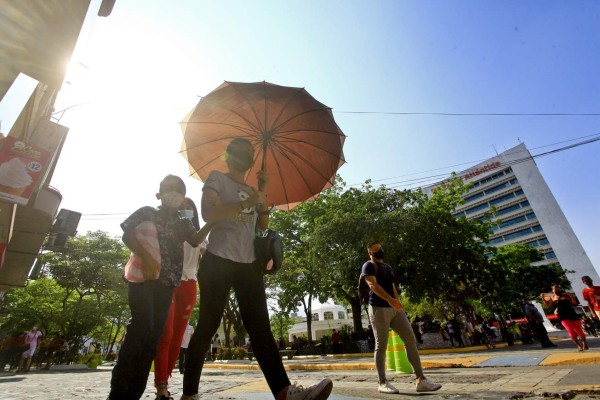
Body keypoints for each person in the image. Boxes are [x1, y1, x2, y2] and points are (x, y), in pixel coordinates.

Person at [182, 138, 332, 400]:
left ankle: (284, 392)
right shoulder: (217, 178)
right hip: (218, 260)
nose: (245, 156)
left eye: (249, 152)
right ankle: (189, 394)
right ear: (228, 156)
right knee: (208, 324)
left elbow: (261, 226)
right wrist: (247, 200)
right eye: (239, 151)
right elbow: (208, 213)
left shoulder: (253, 188)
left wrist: (261, 194)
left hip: (248, 264)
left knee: (260, 327)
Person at [108, 175, 211, 400]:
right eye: (168, 189)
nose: (172, 194)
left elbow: (195, 239)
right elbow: (127, 234)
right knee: (141, 327)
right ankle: (118, 391)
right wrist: (145, 257)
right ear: (159, 194)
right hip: (144, 278)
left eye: (177, 190)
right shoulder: (147, 212)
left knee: (154, 336)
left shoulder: (183, 222)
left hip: (168, 283)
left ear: (183, 196)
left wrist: (213, 220)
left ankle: (134, 392)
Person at [362, 241, 441, 394]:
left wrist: (397, 302)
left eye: (380, 248)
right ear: (369, 253)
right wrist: (389, 300)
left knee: (410, 339)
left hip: (395, 309)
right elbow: (372, 285)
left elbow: (392, 286)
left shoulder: (388, 267)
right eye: (375, 249)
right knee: (381, 345)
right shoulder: (368, 265)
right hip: (379, 308)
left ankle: (421, 380)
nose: (379, 251)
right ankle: (382, 382)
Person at [154, 197, 211, 400]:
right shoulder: (170, 231)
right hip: (169, 283)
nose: (186, 210)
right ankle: (160, 385)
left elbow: (207, 256)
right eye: (182, 208)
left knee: (177, 338)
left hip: (189, 286)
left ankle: (165, 381)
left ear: (194, 213)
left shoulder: (200, 236)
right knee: (166, 334)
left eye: (190, 208)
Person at [542, 284, 589, 351]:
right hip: (562, 315)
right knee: (570, 331)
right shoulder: (553, 297)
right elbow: (548, 305)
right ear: (552, 290)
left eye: (557, 288)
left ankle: (584, 343)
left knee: (579, 330)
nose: (556, 290)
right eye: (555, 289)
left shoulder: (566, 295)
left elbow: (575, 303)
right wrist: (543, 298)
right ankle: (578, 345)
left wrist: (571, 296)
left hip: (571, 313)